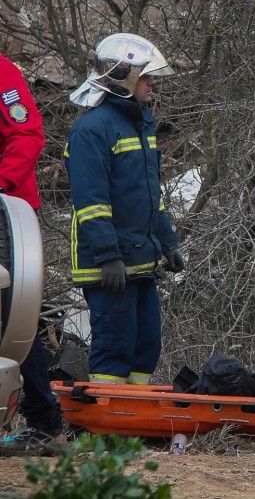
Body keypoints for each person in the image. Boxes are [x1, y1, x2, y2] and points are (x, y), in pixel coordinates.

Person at [64, 33, 185, 387]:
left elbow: (150, 195)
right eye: (146, 77)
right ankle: (111, 432)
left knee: (146, 345)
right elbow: (90, 202)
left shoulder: (141, 123)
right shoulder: (92, 130)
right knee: (114, 349)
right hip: (109, 264)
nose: (152, 85)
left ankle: (133, 423)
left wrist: (168, 242)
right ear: (122, 78)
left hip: (141, 257)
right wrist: (107, 257)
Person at [0, 53, 62, 450]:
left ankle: (43, 421)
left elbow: (26, 136)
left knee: (13, 319)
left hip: (5, 212)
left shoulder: (2, 72)